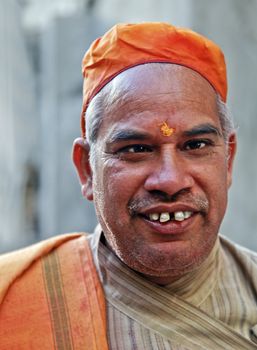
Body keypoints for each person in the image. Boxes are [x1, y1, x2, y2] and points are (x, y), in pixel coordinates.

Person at [0, 22, 257, 350]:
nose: (170, 181)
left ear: (229, 159)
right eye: (136, 149)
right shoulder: (12, 301)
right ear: (86, 170)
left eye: (195, 146)